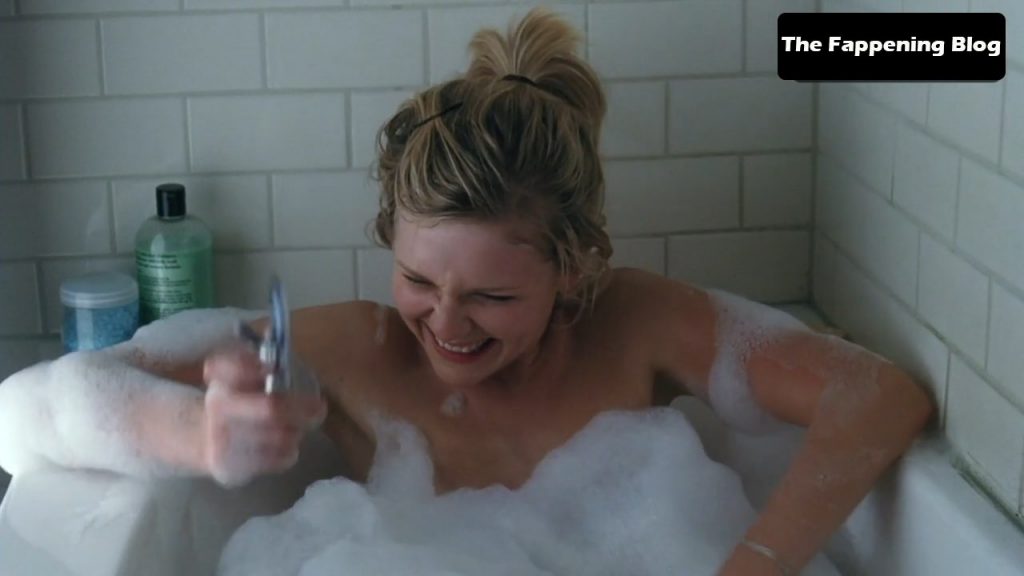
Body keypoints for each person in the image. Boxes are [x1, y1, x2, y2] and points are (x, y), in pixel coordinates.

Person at [0, 8, 933, 576]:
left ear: (574, 268)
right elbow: (25, 412)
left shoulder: (635, 324)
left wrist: (756, 563)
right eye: (416, 279)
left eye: (491, 296)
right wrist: (192, 433)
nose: (443, 322)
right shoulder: (361, 350)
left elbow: (876, 394)